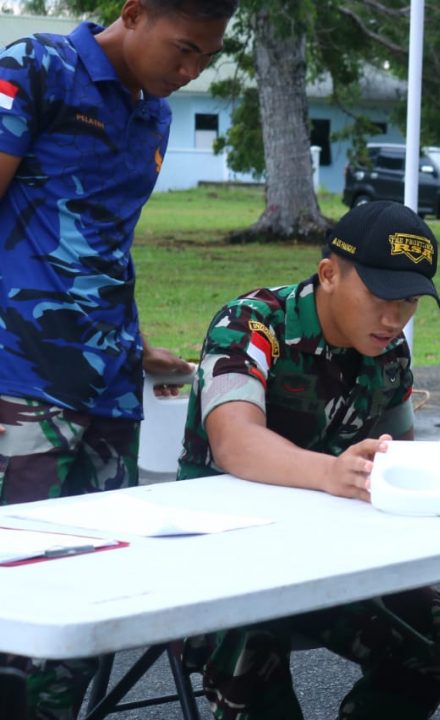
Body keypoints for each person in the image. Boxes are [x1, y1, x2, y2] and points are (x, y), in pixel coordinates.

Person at [0, 1, 237, 717]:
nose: (191, 69)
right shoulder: (36, 70)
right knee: (16, 590)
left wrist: (132, 345)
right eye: (184, 48)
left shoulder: (154, 114)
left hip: (108, 393)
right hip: (20, 385)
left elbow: (103, 243)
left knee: (90, 592)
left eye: (207, 58)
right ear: (133, 14)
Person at [177, 200, 440, 720]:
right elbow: (235, 442)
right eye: (381, 295)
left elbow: (396, 458)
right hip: (221, 565)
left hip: (328, 560)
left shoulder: (387, 351)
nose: (394, 317)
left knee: (435, 636)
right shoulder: (252, 323)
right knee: (256, 642)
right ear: (329, 274)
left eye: (410, 300)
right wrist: (331, 472)